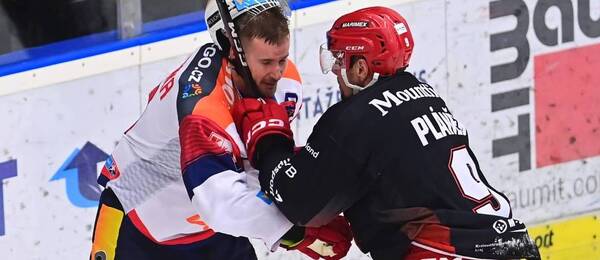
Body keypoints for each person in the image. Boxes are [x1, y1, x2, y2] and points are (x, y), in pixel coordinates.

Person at [232, 6, 542, 260]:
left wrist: (269, 140)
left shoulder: (354, 117)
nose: (336, 72)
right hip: (514, 245)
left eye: (338, 60)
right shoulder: (426, 94)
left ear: (362, 68)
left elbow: (299, 202)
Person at [89, 0, 352, 259]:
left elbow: (256, 170)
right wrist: (296, 232)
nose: (276, 73)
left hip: (213, 233)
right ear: (233, 52)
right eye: (266, 62)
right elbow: (220, 204)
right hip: (136, 227)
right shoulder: (202, 106)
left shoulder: (285, 85)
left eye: (282, 59)